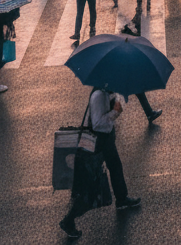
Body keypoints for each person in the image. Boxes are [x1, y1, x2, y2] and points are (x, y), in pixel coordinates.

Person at [59, 88, 141, 238]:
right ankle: (68, 220)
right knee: (91, 188)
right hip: (96, 143)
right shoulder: (98, 96)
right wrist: (114, 113)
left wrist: (116, 106)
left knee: (115, 166)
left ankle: (122, 198)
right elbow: (97, 124)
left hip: (106, 139)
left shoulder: (109, 92)